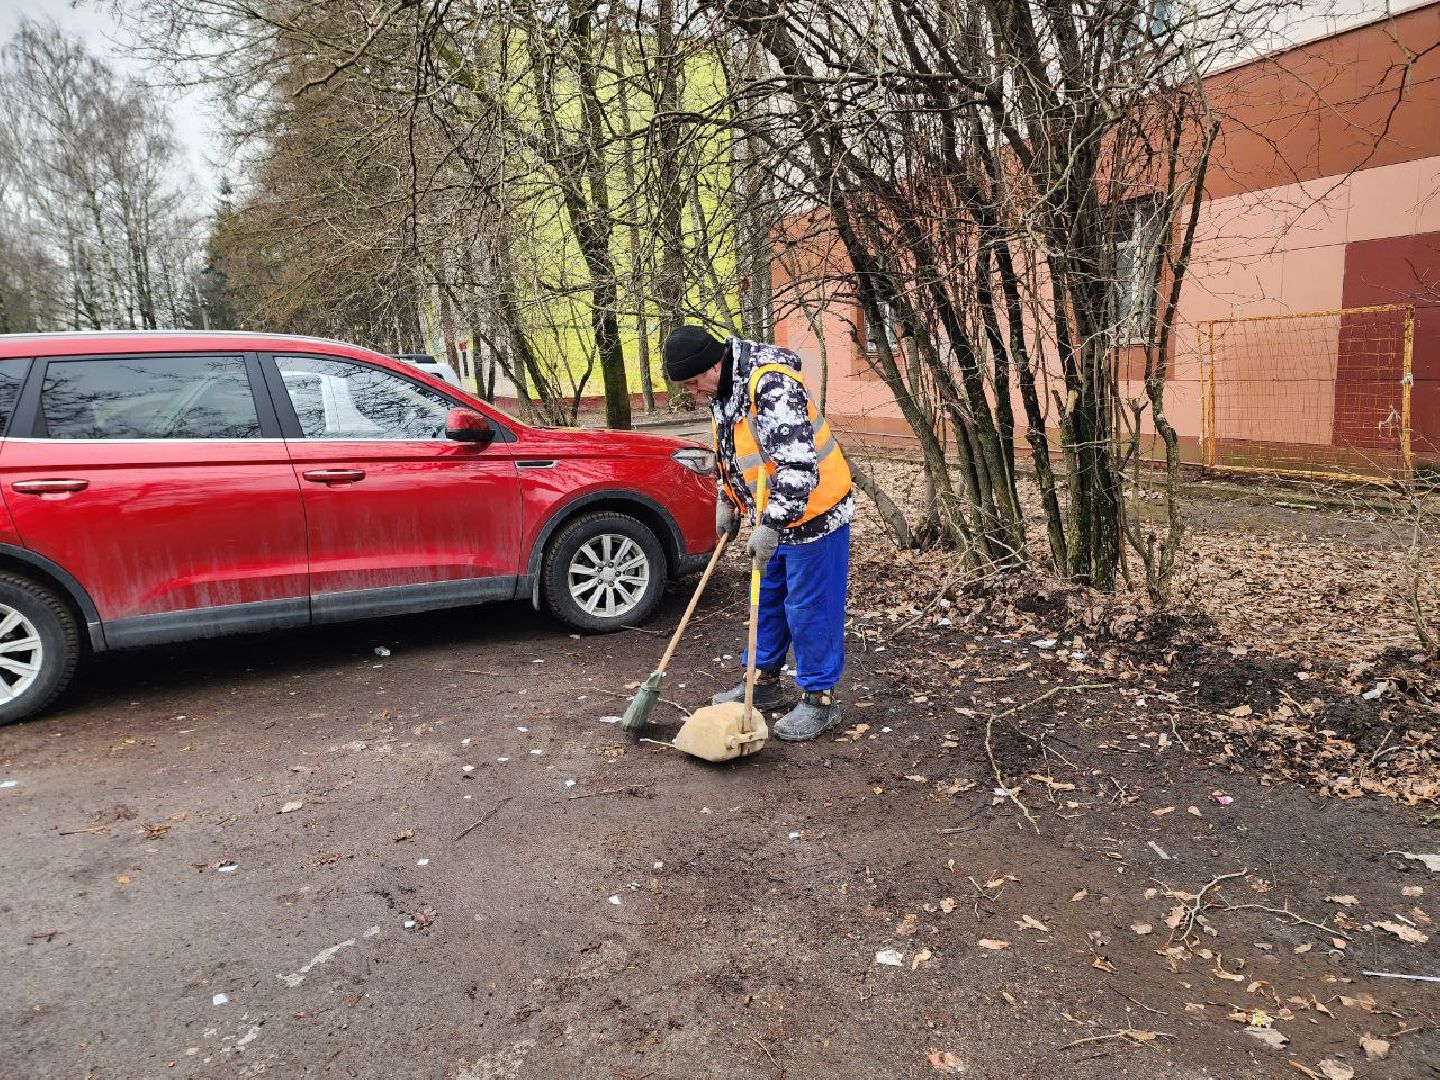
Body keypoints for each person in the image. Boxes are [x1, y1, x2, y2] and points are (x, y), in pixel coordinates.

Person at [662, 324, 854, 741]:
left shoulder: (772, 386)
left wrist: (770, 524)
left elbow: (799, 466)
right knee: (766, 600)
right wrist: (727, 500)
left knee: (809, 608)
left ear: (715, 364)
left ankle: (820, 699)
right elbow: (732, 451)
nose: (694, 393)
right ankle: (762, 684)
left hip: (816, 513)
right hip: (773, 513)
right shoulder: (723, 387)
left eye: (695, 383)